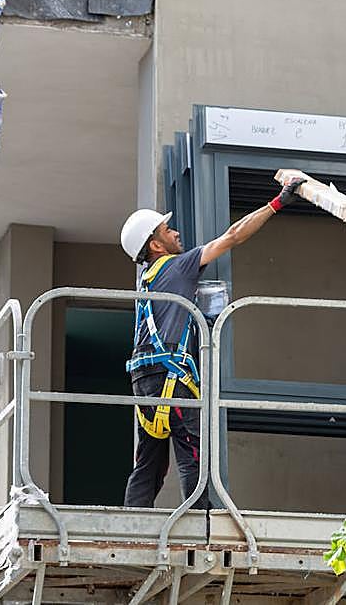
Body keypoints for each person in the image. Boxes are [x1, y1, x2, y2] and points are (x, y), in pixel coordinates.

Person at [118, 177, 304, 508]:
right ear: (156, 245)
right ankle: (200, 525)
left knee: (148, 464)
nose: (176, 233)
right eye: (167, 230)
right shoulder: (178, 265)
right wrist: (277, 203)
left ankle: (130, 522)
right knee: (194, 455)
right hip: (171, 378)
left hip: (143, 380)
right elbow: (234, 236)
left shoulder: (147, 280)